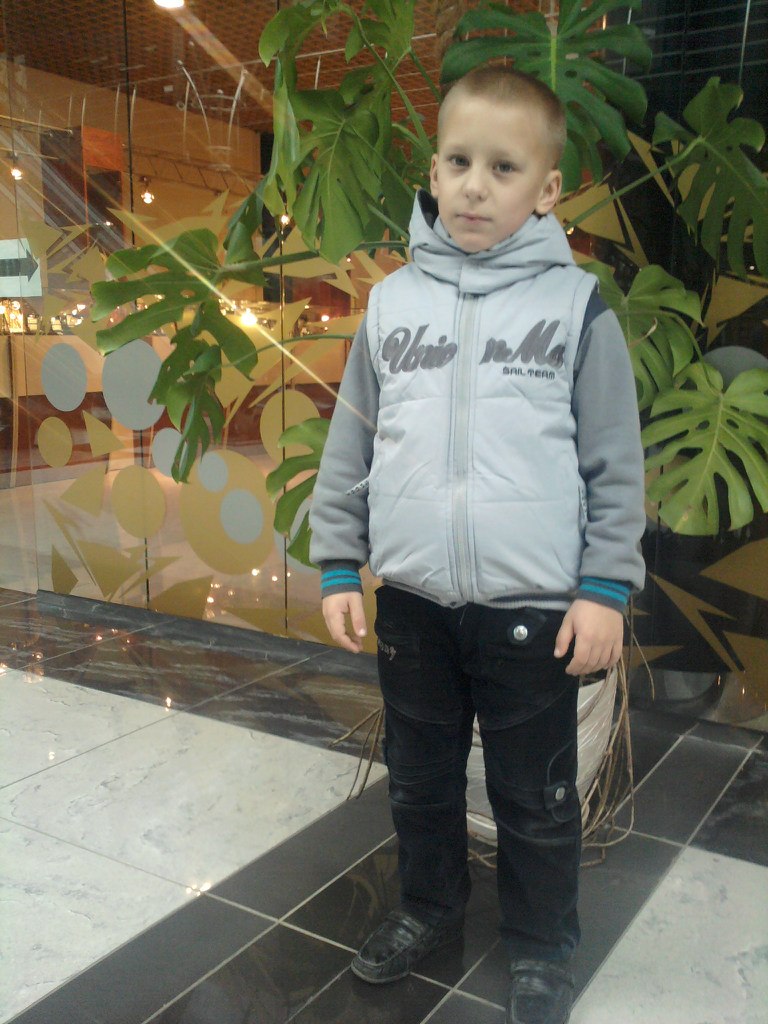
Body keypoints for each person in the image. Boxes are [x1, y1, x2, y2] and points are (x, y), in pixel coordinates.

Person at [308, 64, 645, 1024]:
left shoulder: (577, 309)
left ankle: (541, 945)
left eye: (503, 168)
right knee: (419, 784)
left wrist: (604, 589)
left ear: (547, 189)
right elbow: (352, 445)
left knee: (535, 795)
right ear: (434, 169)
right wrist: (339, 563)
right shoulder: (391, 306)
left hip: (531, 612)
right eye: (458, 161)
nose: (474, 186)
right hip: (415, 606)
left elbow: (615, 463)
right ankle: (428, 910)